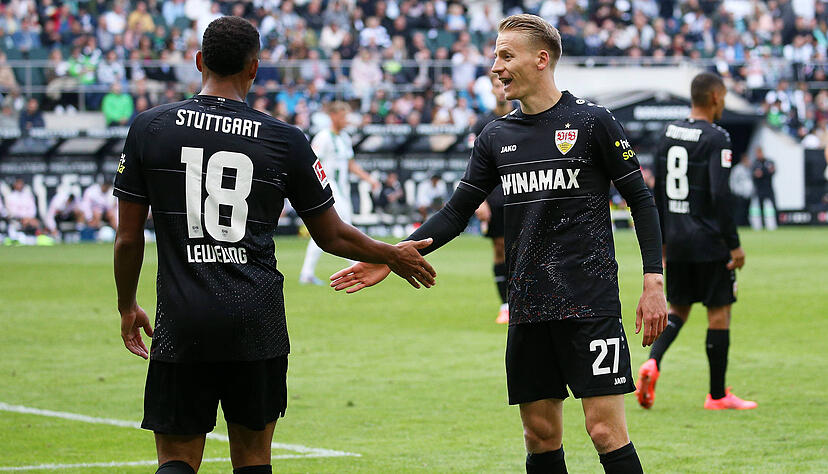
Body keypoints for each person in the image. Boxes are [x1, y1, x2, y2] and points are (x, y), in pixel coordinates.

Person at [331, 14, 667, 473]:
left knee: (605, 431)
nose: (495, 66)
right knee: (540, 435)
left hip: (589, 303)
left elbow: (641, 202)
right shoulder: (496, 136)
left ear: (541, 59)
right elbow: (455, 212)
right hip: (527, 304)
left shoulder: (593, 122)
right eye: (495, 56)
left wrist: (653, 282)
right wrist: (391, 256)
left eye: (506, 55)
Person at [112, 17, 435, 474]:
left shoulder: (150, 128)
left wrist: (127, 305)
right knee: (252, 459)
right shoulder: (285, 140)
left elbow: (128, 239)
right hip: (256, 320)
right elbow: (332, 235)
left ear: (199, 61)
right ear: (255, 69)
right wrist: (391, 254)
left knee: (177, 459)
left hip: (183, 319)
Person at [640, 72, 756, 411]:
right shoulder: (717, 137)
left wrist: (661, 241)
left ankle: (652, 362)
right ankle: (717, 396)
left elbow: (657, 191)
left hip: (675, 240)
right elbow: (720, 194)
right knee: (719, 314)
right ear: (717, 97)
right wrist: (733, 244)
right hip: (708, 241)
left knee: (678, 309)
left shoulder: (668, 133)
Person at [298, 101, 381, 285]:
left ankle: (306, 274)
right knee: (346, 225)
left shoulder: (344, 137)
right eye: (343, 116)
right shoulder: (323, 137)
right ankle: (359, 265)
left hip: (343, 189)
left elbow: (351, 165)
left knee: (323, 233)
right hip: (329, 187)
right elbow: (312, 162)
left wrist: (369, 179)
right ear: (333, 116)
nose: (346, 121)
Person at [472, 73, 514, 324]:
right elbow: (475, 166)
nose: (501, 90)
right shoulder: (483, 124)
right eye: (497, 85)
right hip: (495, 197)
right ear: (491, 89)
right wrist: (480, 200)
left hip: (520, 191)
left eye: (504, 84)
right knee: (500, 248)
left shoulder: (523, 116)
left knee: (523, 249)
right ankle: (505, 304)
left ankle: (524, 301)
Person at [749, 146, 777, 230]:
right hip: (759, 189)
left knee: (774, 206)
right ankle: (761, 225)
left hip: (769, 188)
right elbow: (755, 174)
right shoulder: (755, 163)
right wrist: (765, 172)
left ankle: (776, 224)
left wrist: (763, 172)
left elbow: (772, 171)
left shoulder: (768, 161)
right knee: (760, 207)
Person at [729, 154, 754, 226]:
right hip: (739, 194)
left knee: (746, 211)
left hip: (748, 194)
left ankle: (745, 224)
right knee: (739, 211)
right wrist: (735, 191)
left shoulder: (749, 169)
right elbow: (732, 181)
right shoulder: (737, 169)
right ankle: (738, 224)